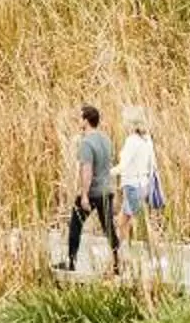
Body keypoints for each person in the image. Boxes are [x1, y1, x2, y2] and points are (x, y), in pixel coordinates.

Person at [62, 103, 119, 275]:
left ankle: (71, 262)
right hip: (107, 190)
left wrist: (84, 195)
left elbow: (87, 170)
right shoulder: (106, 139)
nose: (78, 121)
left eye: (80, 118)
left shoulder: (86, 143)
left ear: (86, 121)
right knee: (109, 228)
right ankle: (117, 263)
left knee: (75, 226)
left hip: (92, 191)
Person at [117, 107, 165, 263]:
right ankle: (118, 254)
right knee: (123, 222)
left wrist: (105, 172)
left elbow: (123, 165)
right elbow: (153, 164)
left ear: (131, 122)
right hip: (142, 185)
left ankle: (157, 258)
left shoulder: (132, 141)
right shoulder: (147, 139)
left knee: (143, 226)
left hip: (132, 186)